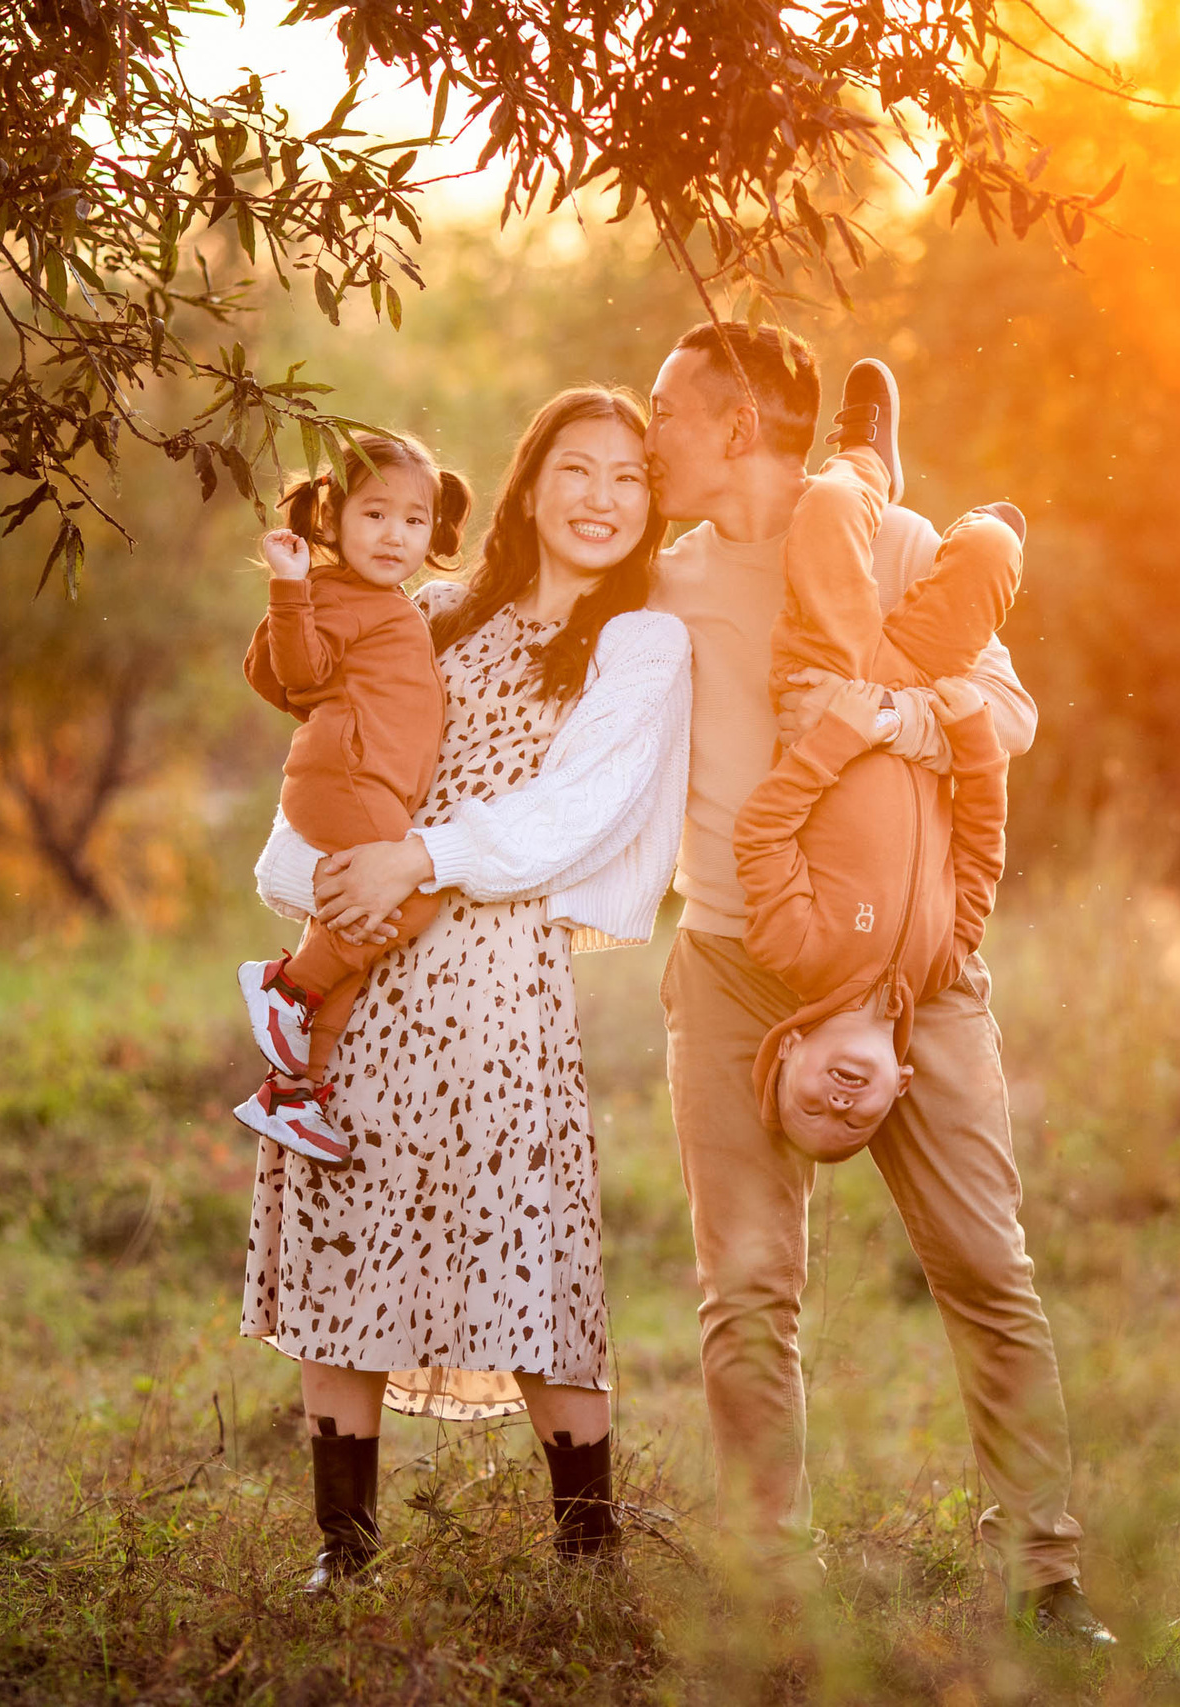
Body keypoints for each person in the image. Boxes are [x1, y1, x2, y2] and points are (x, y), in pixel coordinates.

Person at [646, 323, 1115, 1646]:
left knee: (984, 1259)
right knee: (747, 1281)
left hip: (917, 975)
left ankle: (1045, 1573)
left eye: (667, 412)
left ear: (736, 424)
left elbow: (1008, 716)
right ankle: (771, 1584)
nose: (650, 434)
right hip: (738, 957)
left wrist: (880, 711)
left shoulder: (891, 542)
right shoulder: (664, 585)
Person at [239, 386, 692, 1591]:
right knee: (344, 1235)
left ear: (649, 505)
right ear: (529, 485)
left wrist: (421, 856)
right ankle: (346, 1555)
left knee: (525, 1248)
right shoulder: (435, 610)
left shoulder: (639, 640)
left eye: (628, 479)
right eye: (576, 471)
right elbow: (323, 703)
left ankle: (586, 1553)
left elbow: (572, 810)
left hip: (493, 979)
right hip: (367, 962)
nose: (600, 499)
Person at [734, 375, 1026, 1161]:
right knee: (998, 551)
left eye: (809, 1108)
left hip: (829, 683)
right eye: (852, 1123)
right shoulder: (942, 962)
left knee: (826, 510)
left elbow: (761, 834)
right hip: (924, 691)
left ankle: (864, 462)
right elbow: (981, 846)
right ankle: (982, 531)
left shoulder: (794, 951)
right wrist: (969, 739)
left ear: (785, 1053)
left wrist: (835, 734)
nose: (835, 1105)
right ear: (900, 1082)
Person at [232, 434, 468, 1164]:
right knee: (415, 890)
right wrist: (290, 584)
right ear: (332, 521)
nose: (394, 534)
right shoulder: (332, 591)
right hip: (346, 778)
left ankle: (295, 1090)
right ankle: (285, 988)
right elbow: (292, 669)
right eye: (374, 514)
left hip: (367, 783)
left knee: (351, 927)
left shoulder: (389, 603)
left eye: (413, 519)